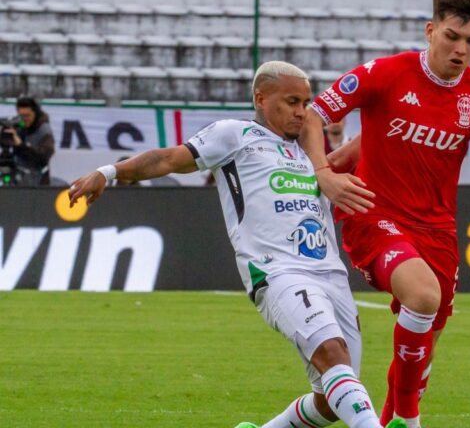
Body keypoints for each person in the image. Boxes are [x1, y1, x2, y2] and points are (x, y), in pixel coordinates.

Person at [68, 61, 406, 428]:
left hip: (330, 274)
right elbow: (168, 159)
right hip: (278, 272)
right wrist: (109, 172)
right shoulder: (235, 135)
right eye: (292, 101)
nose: (301, 111)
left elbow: (372, 143)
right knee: (332, 356)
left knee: (331, 398)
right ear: (261, 98)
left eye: (305, 102)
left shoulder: (313, 155)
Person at [298, 0, 470, 426]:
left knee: (426, 336)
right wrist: (323, 172)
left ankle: (387, 416)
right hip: (373, 214)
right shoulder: (385, 73)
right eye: (451, 37)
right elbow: (315, 116)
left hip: (437, 230)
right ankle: (409, 421)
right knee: (423, 296)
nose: (460, 49)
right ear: (431, 32)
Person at [0, 97, 55, 186]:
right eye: (22, 116)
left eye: (27, 115)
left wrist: (20, 145)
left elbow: (44, 157)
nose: (24, 119)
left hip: (38, 183)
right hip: (18, 179)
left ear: (35, 113)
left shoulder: (44, 131)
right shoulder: (17, 126)